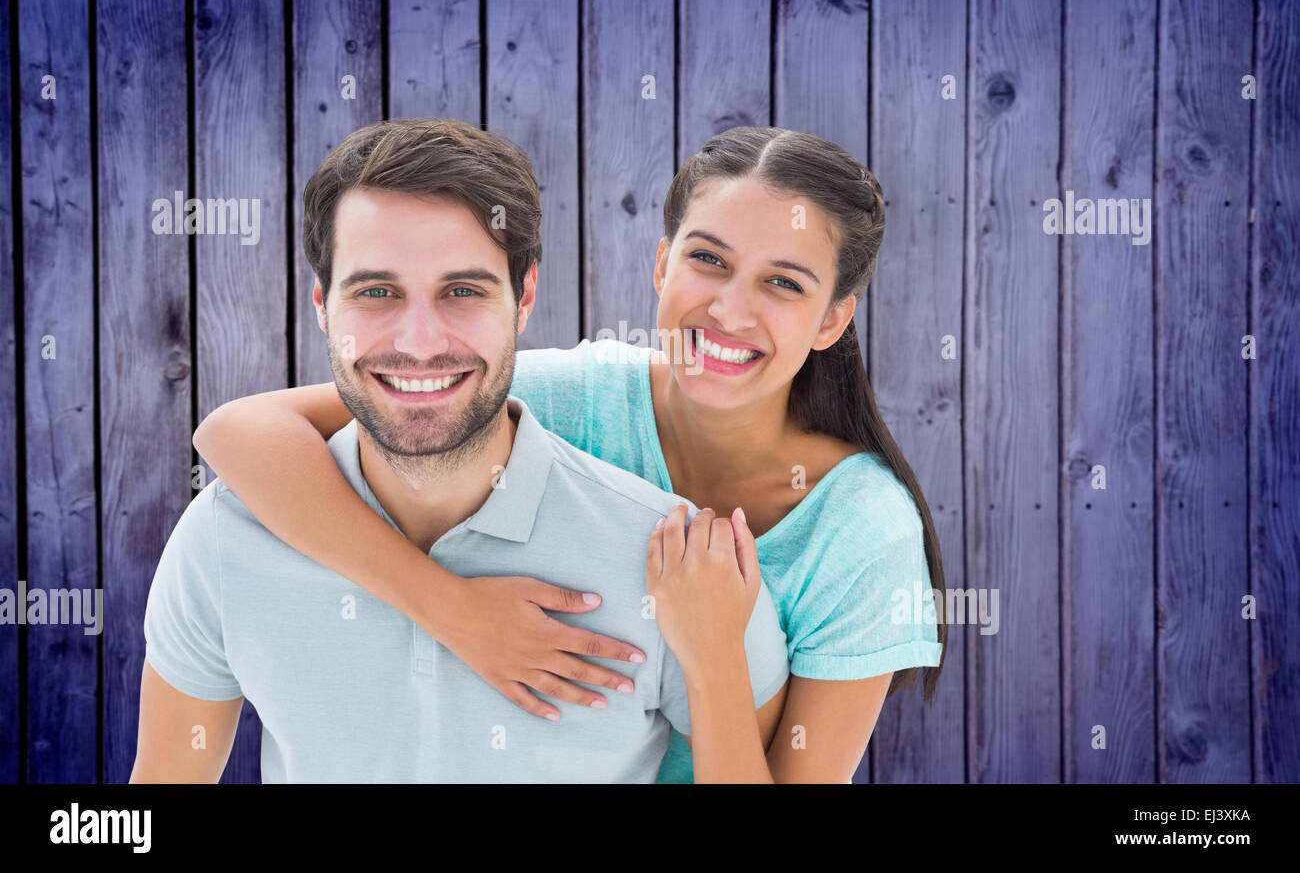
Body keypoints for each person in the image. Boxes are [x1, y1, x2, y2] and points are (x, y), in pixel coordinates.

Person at [193, 124, 949, 784]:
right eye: (708, 260)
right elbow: (237, 433)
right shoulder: (574, 398)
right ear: (662, 265)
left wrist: (712, 649)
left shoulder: (862, 533)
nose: (729, 309)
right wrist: (451, 611)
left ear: (832, 319)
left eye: (783, 282)